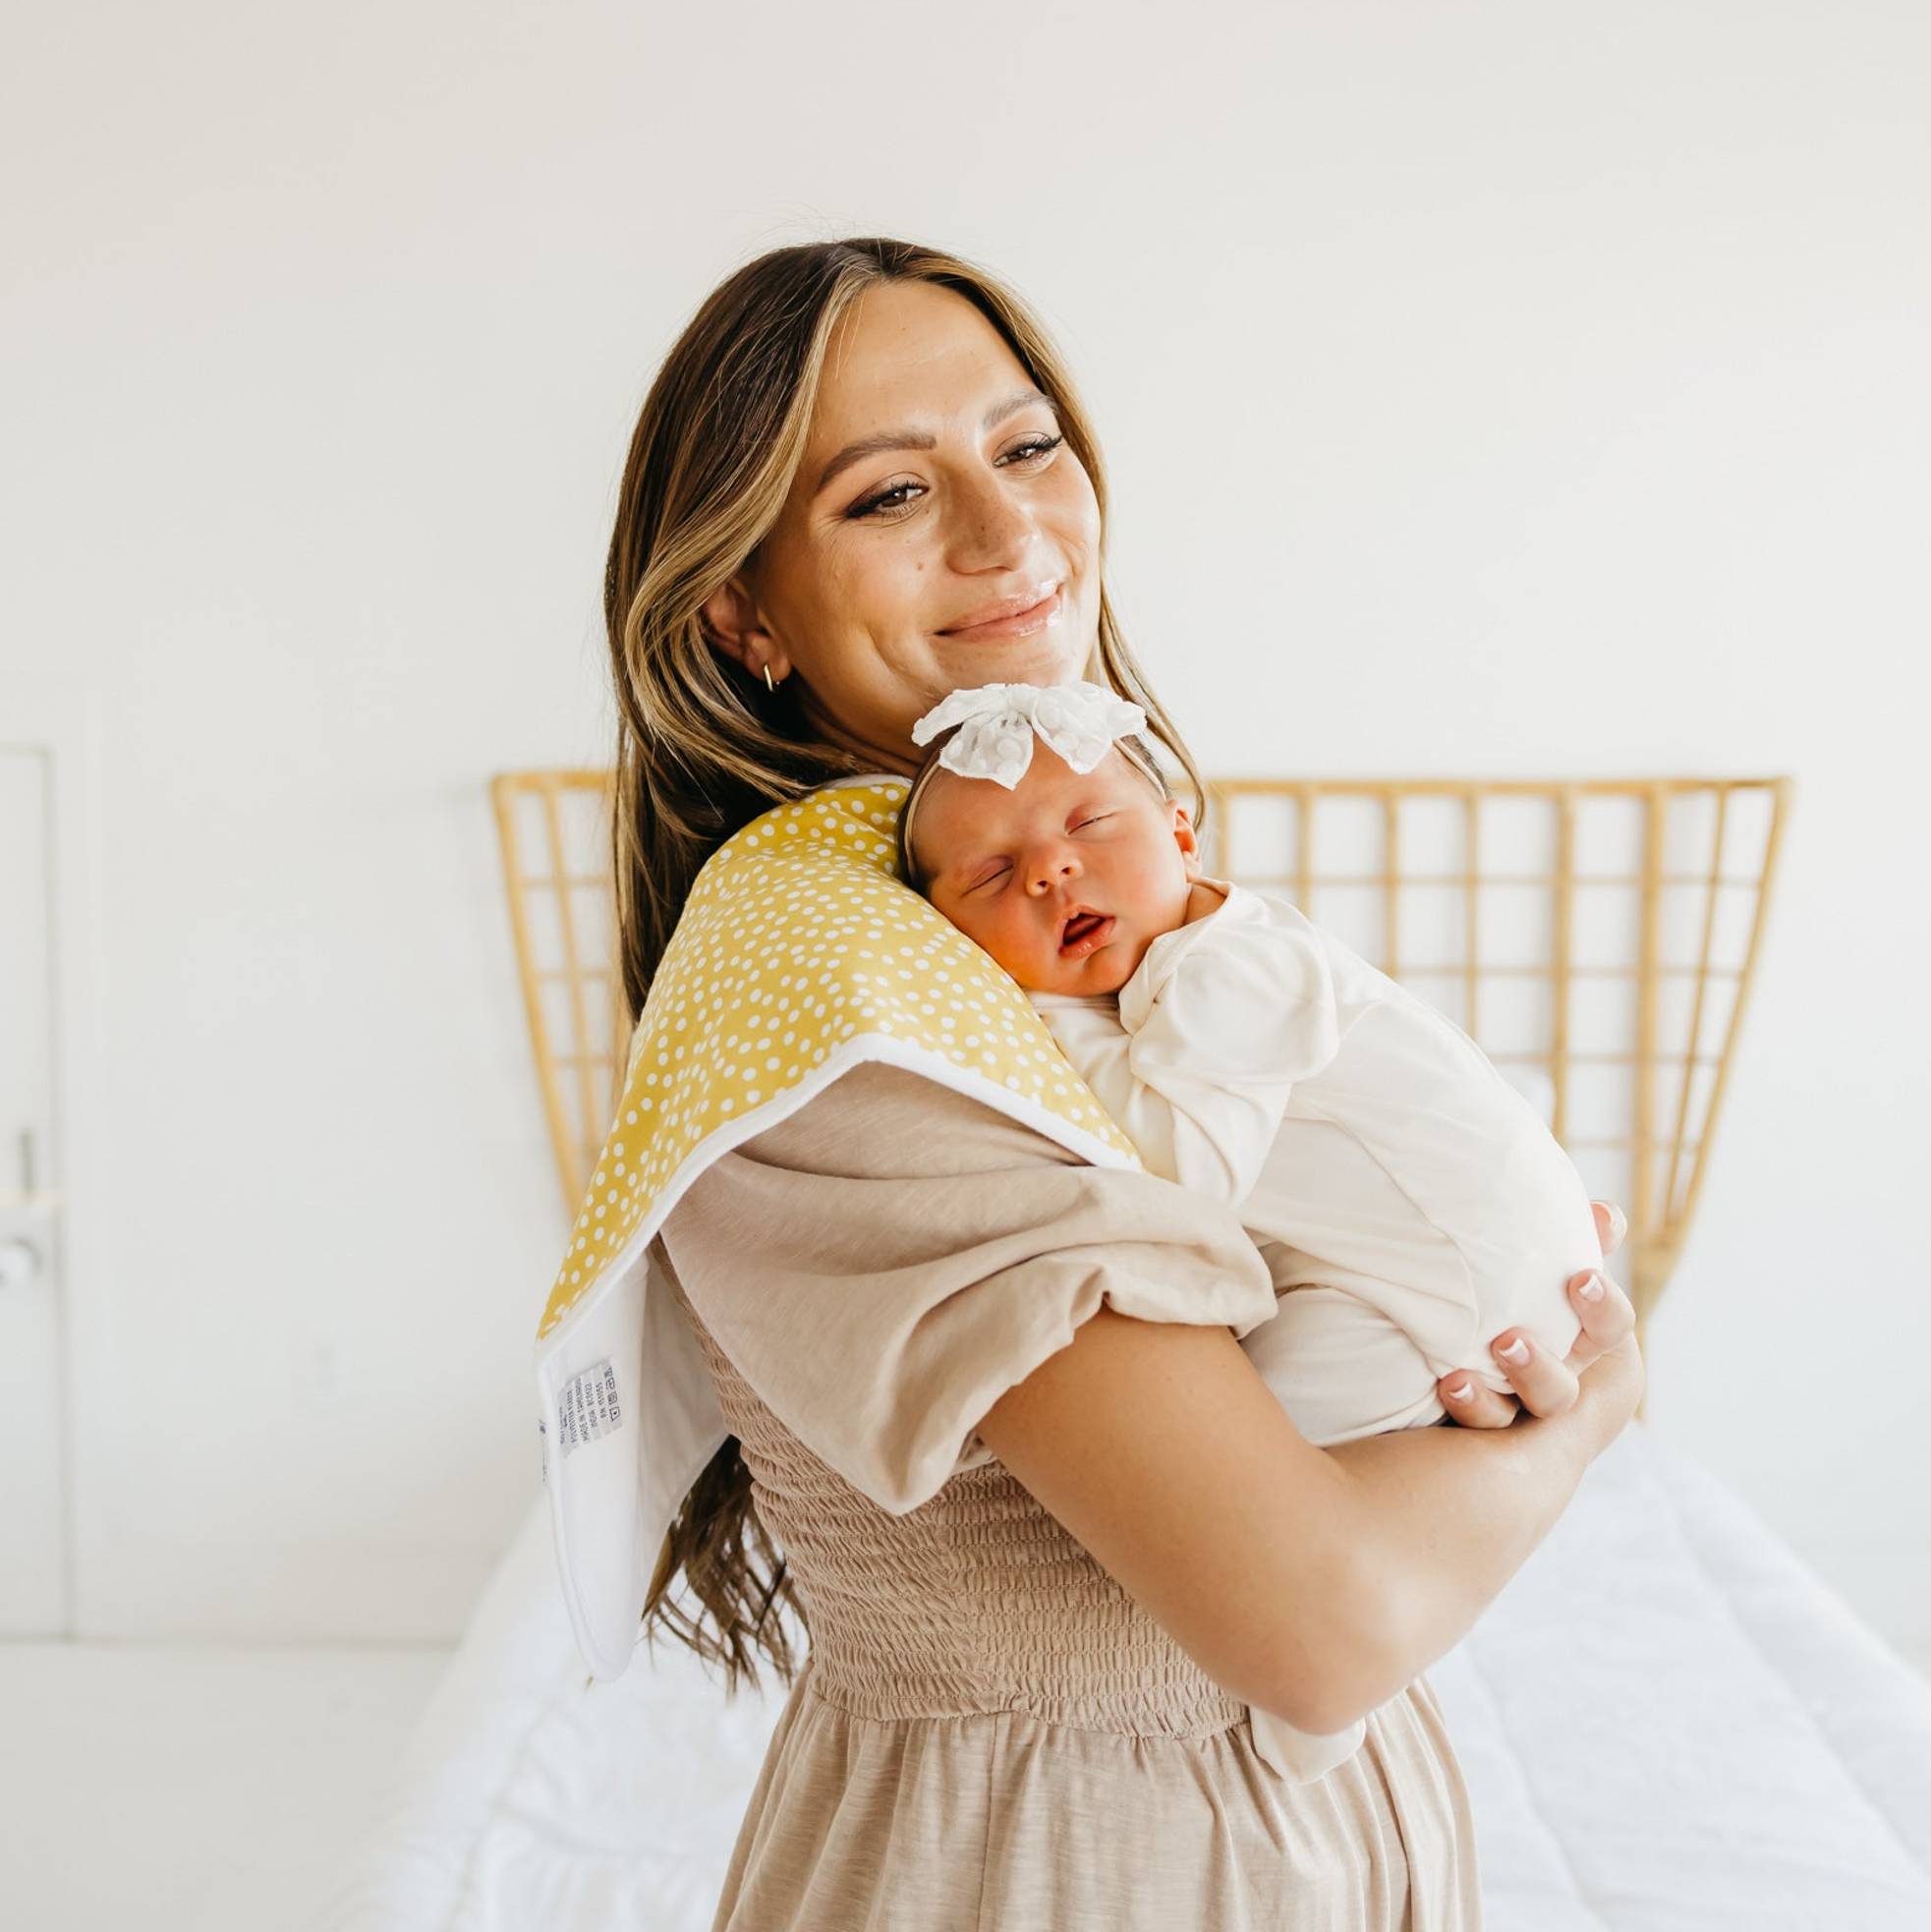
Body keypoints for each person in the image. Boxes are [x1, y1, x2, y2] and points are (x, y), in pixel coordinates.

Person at [598, 235, 1643, 1930]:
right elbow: (1318, 1620)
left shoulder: (1036, 943)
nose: (1010, 535)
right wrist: (1581, 1411)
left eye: (1025, 447)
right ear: (740, 611)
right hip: (1069, 1865)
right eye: (884, 494)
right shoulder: (839, 994)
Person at [893, 679, 1608, 1786]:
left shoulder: (1230, 968)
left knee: (1253, 1489)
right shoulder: (1172, 970)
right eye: (991, 873)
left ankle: (1316, 1704)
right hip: (1434, 1265)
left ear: (1182, 833)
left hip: (1461, 1282)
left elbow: (1178, 1173)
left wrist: (1035, 1021)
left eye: (1088, 823)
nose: (1048, 869)